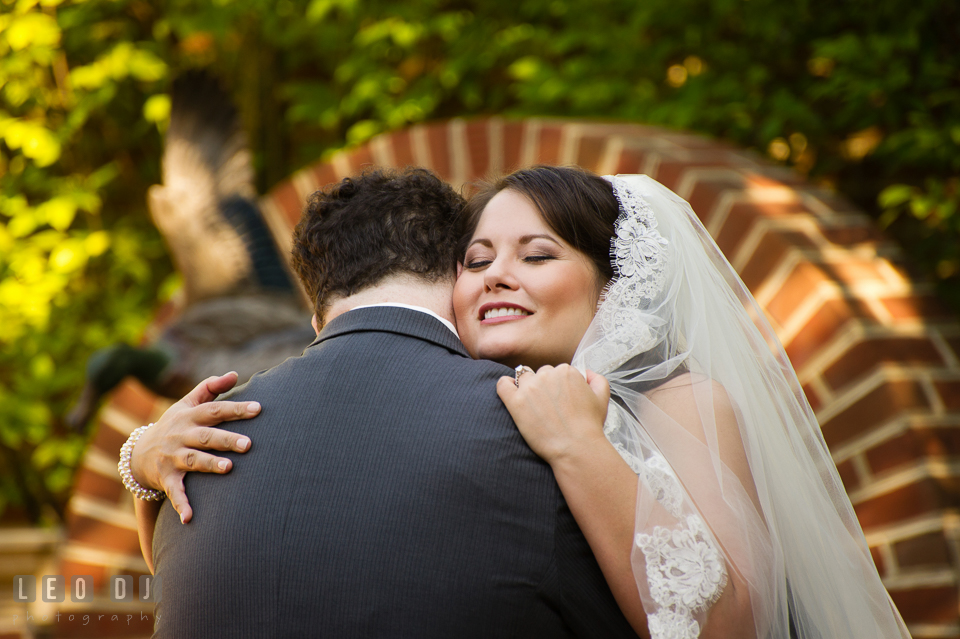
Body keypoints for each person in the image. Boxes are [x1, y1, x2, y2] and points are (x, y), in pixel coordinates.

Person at [128, 166, 911, 638]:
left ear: (614, 287)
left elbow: (727, 627)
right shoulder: (513, 406)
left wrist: (579, 444)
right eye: (477, 258)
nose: (498, 274)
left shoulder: (677, 400)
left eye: (538, 254)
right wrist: (142, 462)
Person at [132, 167, 639, 638]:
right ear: (458, 279)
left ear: (317, 316)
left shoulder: (190, 448)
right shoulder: (543, 424)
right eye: (481, 262)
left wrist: (137, 460)